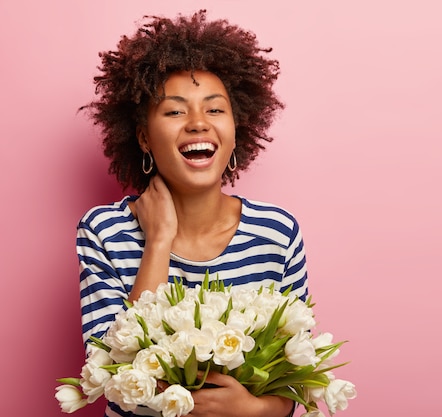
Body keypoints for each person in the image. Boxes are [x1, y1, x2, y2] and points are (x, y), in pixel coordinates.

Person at [77, 10, 308, 417]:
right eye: (175, 111)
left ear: (237, 128)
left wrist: (252, 410)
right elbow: (114, 377)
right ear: (145, 136)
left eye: (215, 110)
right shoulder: (104, 231)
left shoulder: (277, 232)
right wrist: (159, 240)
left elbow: (301, 376)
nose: (198, 124)